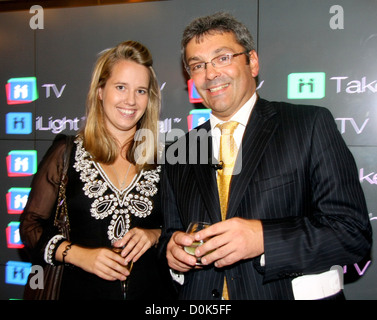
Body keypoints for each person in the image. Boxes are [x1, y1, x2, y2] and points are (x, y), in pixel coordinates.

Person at [160, 12, 372, 300]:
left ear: (253, 62)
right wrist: (172, 248)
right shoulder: (179, 150)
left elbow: (352, 233)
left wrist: (262, 239)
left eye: (223, 58)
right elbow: (169, 233)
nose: (210, 74)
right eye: (198, 65)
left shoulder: (308, 125)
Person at [20, 40, 176, 300]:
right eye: (121, 87)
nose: (131, 100)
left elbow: (184, 228)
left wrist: (155, 234)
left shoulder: (166, 159)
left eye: (141, 91)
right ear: (101, 91)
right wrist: (80, 255)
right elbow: (30, 226)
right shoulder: (66, 153)